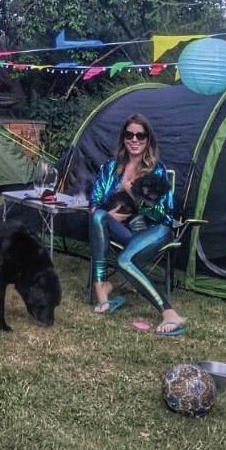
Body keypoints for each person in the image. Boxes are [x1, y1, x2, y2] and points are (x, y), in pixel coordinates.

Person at [88, 112, 186, 336]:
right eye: (129, 135)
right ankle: (101, 289)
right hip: (125, 232)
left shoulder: (157, 170)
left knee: (124, 260)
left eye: (140, 135)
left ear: (148, 139)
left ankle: (170, 314)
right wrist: (110, 214)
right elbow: (94, 202)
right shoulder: (110, 168)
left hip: (155, 231)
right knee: (97, 216)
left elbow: (163, 213)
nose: (134, 140)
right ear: (123, 138)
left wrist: (133, 193)